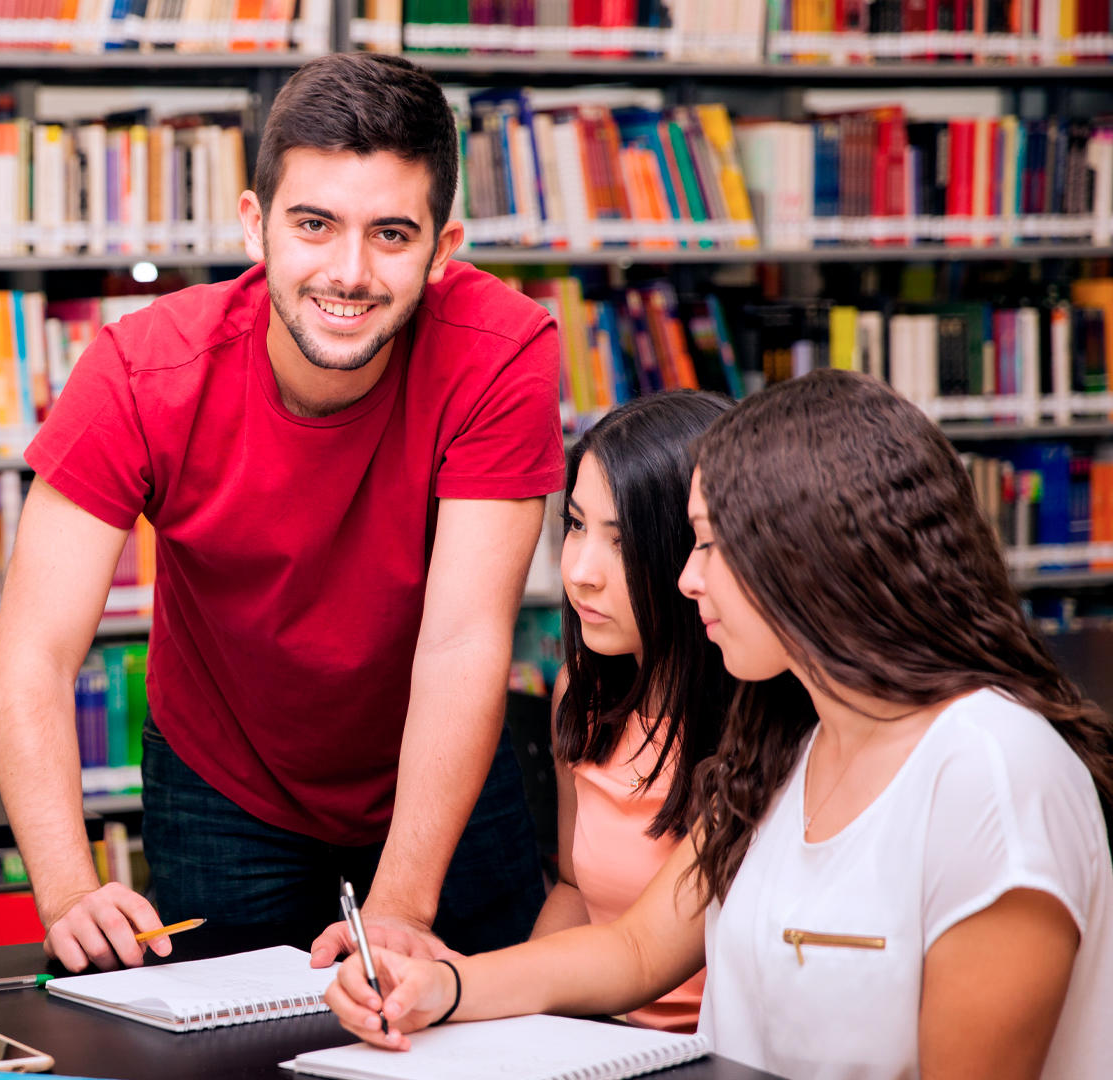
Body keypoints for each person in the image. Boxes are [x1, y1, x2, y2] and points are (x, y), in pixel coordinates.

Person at [324, 370, 1113, 1079]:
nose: (688, 579)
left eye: (709, 544)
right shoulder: (790, 745)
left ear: (810, 556)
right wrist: (442, 985)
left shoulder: (991, 774)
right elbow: (636, 946)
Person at [0, 50, 563, 974]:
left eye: (391, 234)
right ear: (255, 227)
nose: (349, 272)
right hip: (225, 783)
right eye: (314, 224)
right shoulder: (140, 371)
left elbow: (463, 644)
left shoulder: (504, 352)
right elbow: (33, 658)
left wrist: (403, 905)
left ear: (443, 249)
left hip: (437, 774)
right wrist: (67, 888)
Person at [539, 391, 737, 1032]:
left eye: (622, 541)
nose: (579, 571)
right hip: (603, 1040)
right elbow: (574, 891)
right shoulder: (584, 691)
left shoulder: (762, 724)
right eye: (574, 524)